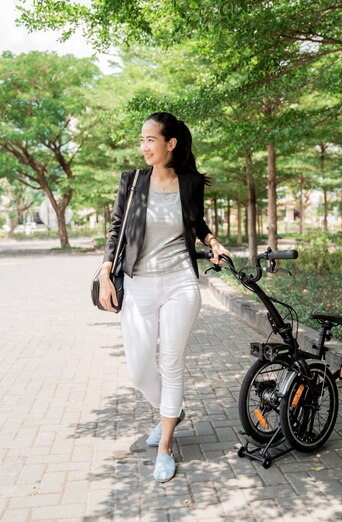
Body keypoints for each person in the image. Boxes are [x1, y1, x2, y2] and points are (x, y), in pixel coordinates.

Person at [98, 112, 230, 483]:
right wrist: (106, 273)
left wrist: (213, 242)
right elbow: (116, 231)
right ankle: (171, 411)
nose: (143, 147)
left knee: (171, 364)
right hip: (138, 283)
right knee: (140, 370)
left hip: (180, 284)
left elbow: (196, 223)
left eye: (150, 140)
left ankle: (165, 445)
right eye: (141, 140)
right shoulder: (133, 181)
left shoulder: (189, 182)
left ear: (170, 143)